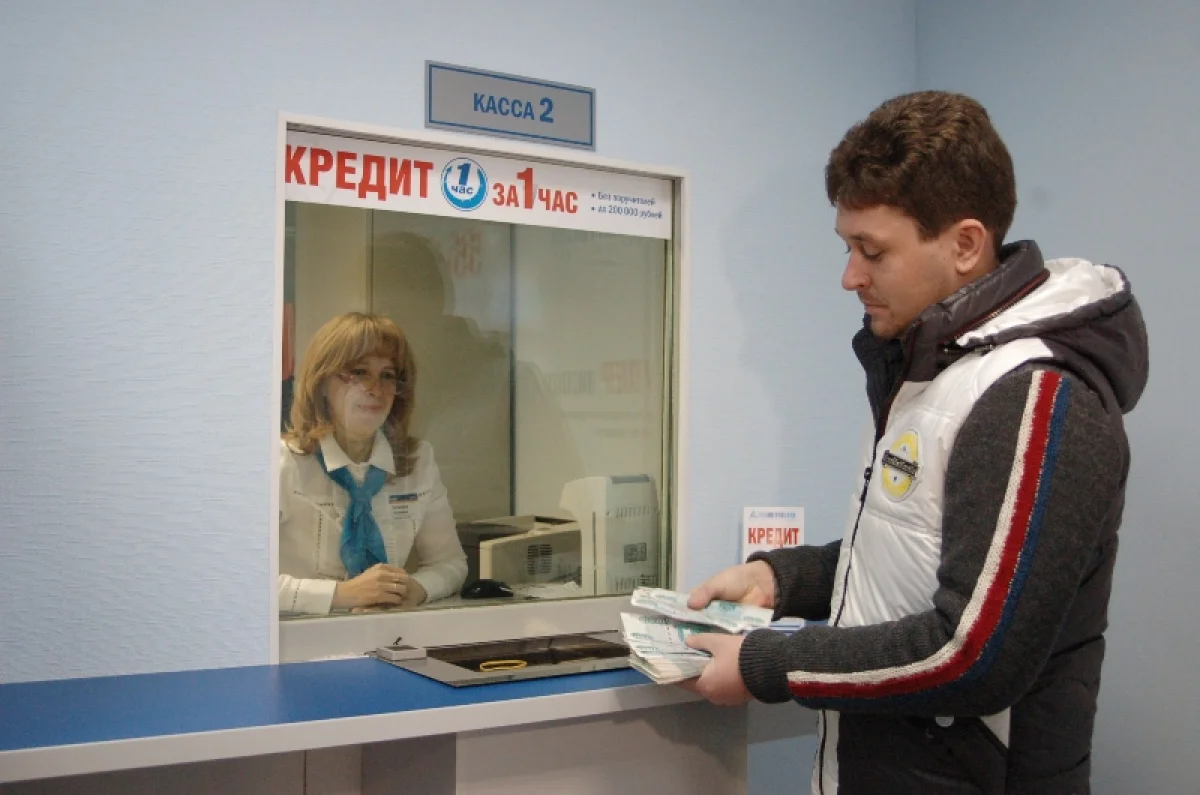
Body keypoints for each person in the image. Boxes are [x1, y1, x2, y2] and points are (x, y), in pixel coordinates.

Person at [683, 91, 1149, 794]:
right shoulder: (935, 370)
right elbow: (921, 553)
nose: (850, 277)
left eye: (872, 251)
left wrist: (766, 667)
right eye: (848, 248)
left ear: (964, 244)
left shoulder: (1035, 397)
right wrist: (785, 581)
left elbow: (974, 654)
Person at [277, 312, 467, 615]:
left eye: (387, 375)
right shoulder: (282, 463)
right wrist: (340, 595)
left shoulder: (418, 461)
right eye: (359, 372)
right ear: (321, 383)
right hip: (301, 639)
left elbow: (450, 563)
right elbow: (241, 582)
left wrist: (416, 589)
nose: (376, 389)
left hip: (387, 634)